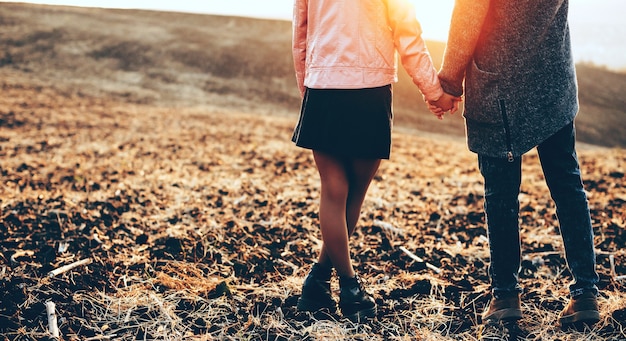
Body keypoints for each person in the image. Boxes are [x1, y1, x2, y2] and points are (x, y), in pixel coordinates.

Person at [431, 0, 600, 329]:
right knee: (568, 186)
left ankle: (505, 295)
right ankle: (585, 294)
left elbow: (469, 13)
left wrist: (449, 83)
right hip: (554, 82)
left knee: (500, 195)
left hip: (500, 88)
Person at [291, 0, 458, 322]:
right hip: (369, 90)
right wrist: (433, 91)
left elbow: (301, 33)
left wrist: (308, 89)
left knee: (333, 190)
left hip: (323, 86)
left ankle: (318, 282)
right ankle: (350, 288)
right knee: (354, 193)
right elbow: (407, 33)